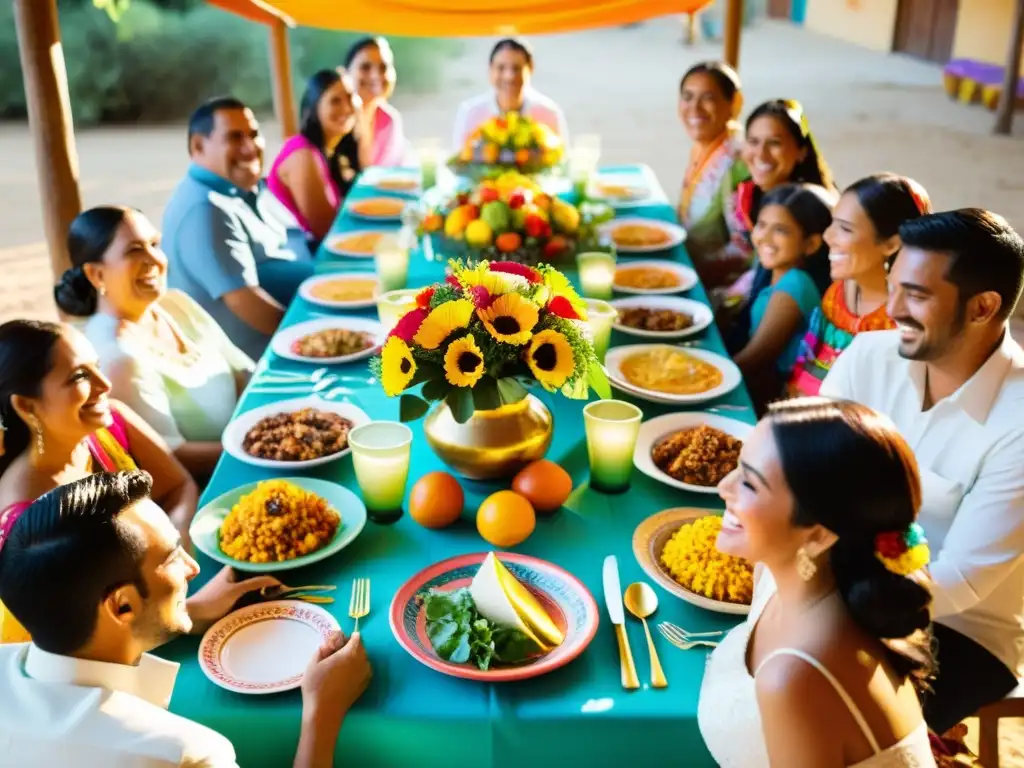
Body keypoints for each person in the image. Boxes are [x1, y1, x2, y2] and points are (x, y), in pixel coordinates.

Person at [0, 470, 371, 767]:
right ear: (122, 607)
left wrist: (187, 611)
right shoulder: (181, 754)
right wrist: (323, 712)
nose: (194, 568)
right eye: (172, 557)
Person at [820, 209, 1024, 734]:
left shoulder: (1019, 423)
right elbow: (807, 465)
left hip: (959, 629)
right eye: (892, 288)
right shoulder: (868, 356)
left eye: (917, 295)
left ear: (983, 307)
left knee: (820, 714)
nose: (892, 309)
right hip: (836, 579)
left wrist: (827, 602)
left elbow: (960, 581)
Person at [699, 398, 936, 767]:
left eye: (749, 483)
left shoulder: (797, 677)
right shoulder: (776, 578)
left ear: (819, 536)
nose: (723, 487)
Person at [0, 319, 199, 644]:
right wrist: (187, 597)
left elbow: (179, 486)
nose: (104, 384)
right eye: (80, 376)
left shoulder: (109, 426)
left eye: (97, 366)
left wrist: (173, 550)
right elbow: (65, 642)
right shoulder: (27, 524)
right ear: (26, 405)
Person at [54, 206, 254, 482]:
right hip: (219, 481)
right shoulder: (116, 358)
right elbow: (172, 456)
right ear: (96, 275)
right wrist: (256, 447)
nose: (154, 259)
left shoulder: (176, 303)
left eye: (154, 244)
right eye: (134, 250)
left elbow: (242, 372)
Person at [162, 96, 314, 361]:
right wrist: (315, 339)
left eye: (253, 134)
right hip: (265, 359)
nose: (250, 147)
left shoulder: (232, 190)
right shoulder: (206, 210)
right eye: (234, 138)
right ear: (198, 146)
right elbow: (248, 304)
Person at [789, 174, 930, 398]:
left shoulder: (903, 324)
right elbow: (807, 366)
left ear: (891, 244)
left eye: (845, 229)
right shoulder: (838, 292)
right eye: (832, 222)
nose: (827, 236)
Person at [720, 99, 836, 311]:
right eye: (753, 141)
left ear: (801, 151)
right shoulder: (751, 193)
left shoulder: (813, 211)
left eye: (774, 143)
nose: (761, 154)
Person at [730, 184, 835, 413]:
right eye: (762, 225)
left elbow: (755, 358)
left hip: (771, 402)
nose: (764, 237)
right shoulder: (774, 273)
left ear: (811, 244)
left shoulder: (795, 284)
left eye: (781, 230)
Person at [676, 61, 749, 291]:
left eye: (707, 97)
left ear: (733, 104)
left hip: (713, 289)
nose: (695, 108)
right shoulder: (704, 148)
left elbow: (744, 249)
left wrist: (687, 270)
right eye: (688, 97)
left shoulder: (735, 165)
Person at [268, 70, 362, 247]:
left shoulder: (330, 149)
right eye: (335, 101)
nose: (347, 108)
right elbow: (324, 230)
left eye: (350, 97)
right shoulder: (303, 155)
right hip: (302, 257)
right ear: (314, 107)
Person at [451, 38, 569, 151]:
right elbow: (458, 164)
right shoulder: (471, 113)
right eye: (501, 68)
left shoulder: (549, 113)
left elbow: (562, 163)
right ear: (490, 70)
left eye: (516, 68)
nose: (509, 76)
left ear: (531, 68)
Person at [343, 36, 408, 168]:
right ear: (345, 73)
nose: (375, 75)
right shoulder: (338, 119)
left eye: (383, 67)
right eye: (365, 67)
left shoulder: (389, 120)